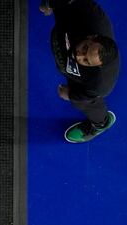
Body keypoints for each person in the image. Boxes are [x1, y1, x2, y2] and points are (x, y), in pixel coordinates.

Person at [40, 0, 119, 143]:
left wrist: (71, 94)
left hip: (80, 79)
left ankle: (100, 123)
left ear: (97, 66)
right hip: (62, 40)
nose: (78, 56)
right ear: (92, 37)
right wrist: (51, 3)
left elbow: (85, 95)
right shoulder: (86, 11)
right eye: (85, 49)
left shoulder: (100, 82)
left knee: (82, 102)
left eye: (86, 61)